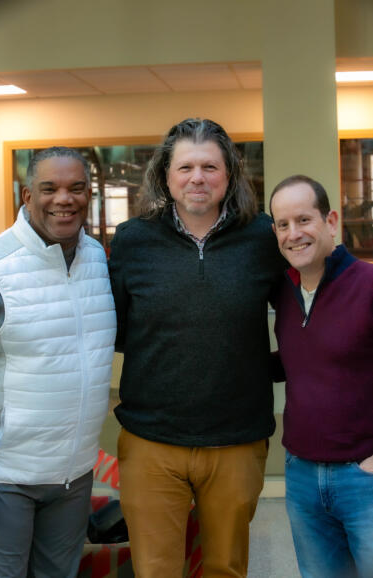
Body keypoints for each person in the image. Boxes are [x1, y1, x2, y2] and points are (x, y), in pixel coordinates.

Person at [109, 118, 285, 578]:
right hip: (151, 440)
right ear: (166, 175)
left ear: (229, 174)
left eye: (210, 166)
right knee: (155, 571)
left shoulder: (264, 237)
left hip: (237, 438)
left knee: (226, 568)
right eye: (185, 167)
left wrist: (260, 367)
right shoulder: (133, 240)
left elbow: (298, 323)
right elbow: (120, 328)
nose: (198, 178)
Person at [0, 147, 117, 578]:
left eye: (76, 188)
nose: (64, 199)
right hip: (6, 477)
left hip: (74, 473)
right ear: (27, 196)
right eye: (50, 188)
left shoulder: (97, 258)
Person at [270, 174, 373, 578]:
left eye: (304, 220)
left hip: (363, 480)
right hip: (302, 479)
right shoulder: (284, 291)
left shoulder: (367, 285)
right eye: (283, 224)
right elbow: (301, 359)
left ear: (330, 222)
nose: (294, 234)